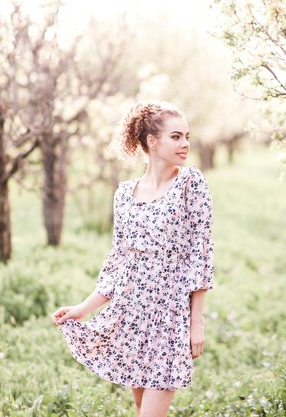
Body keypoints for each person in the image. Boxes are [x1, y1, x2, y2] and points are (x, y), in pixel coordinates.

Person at [51, 100, 214, 417]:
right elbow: (119, 264)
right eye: (176, 137)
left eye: (186, 136)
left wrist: (196, 322)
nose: (185, 144)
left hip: (170, 318)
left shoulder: (190, 184)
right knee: (141, 409)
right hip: (131, 316)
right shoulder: (124, 194)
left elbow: (201, 255)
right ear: (152, 142)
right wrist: (82, 309)